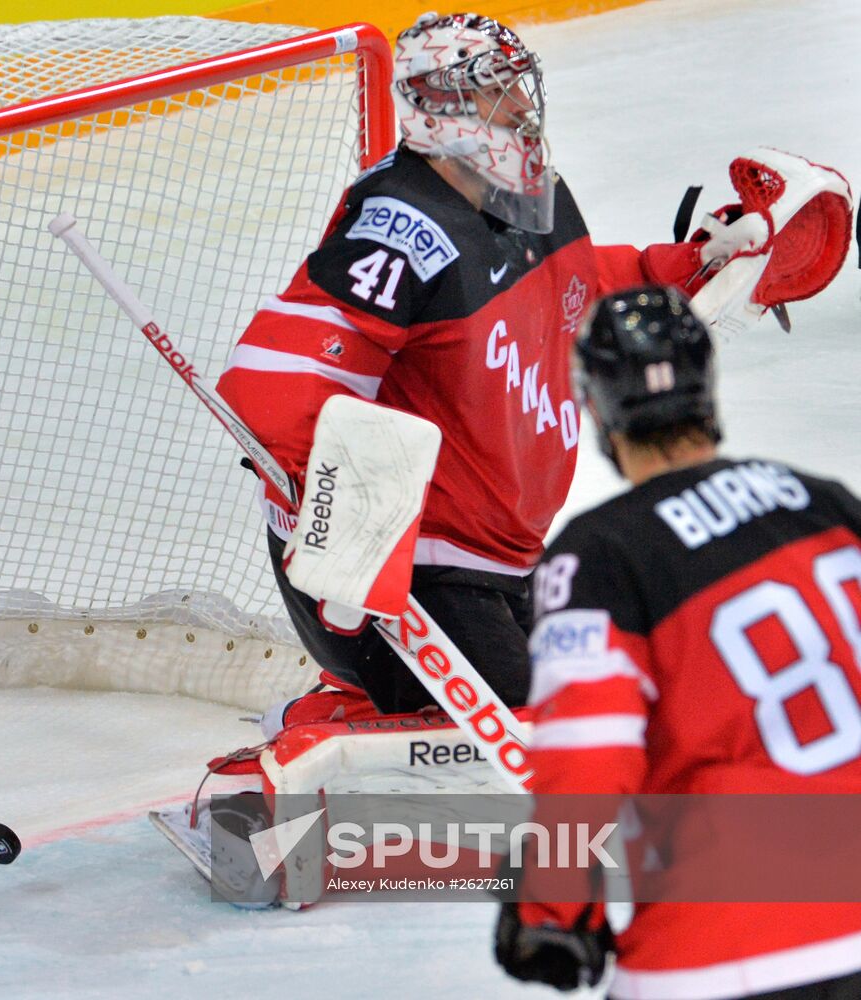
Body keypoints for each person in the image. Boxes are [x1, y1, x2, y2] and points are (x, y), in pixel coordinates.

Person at [215, 12, 763, 715]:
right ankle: (351, 729)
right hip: (412, 574)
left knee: (619, 683)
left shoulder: (535, 192)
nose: (524, 107)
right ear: (442, 105)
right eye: (499, 90)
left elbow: (569, 289)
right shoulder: (398, 224)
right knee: (556, 731)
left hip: (506, 557)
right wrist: (349, 547)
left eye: (519, 84)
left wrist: (675, 272)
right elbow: (271, 385)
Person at [494, 285, 861, 998]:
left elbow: (587, 761)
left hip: (727, 949)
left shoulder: (597, 554)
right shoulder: (830, 503)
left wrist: (550, 907)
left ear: (597, 410)